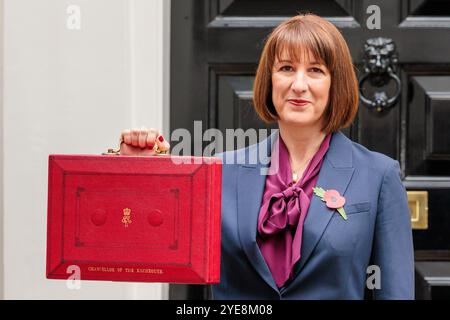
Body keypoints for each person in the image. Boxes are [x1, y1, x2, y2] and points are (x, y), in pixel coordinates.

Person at [119, 14, 414, 299]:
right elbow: (148, 247)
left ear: (336, 84)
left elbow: (395, 292)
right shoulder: (220, 171)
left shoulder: (378, 175)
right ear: (269, 80)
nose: (299, 85)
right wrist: (138, 175)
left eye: (315, 70)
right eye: (286, 68)